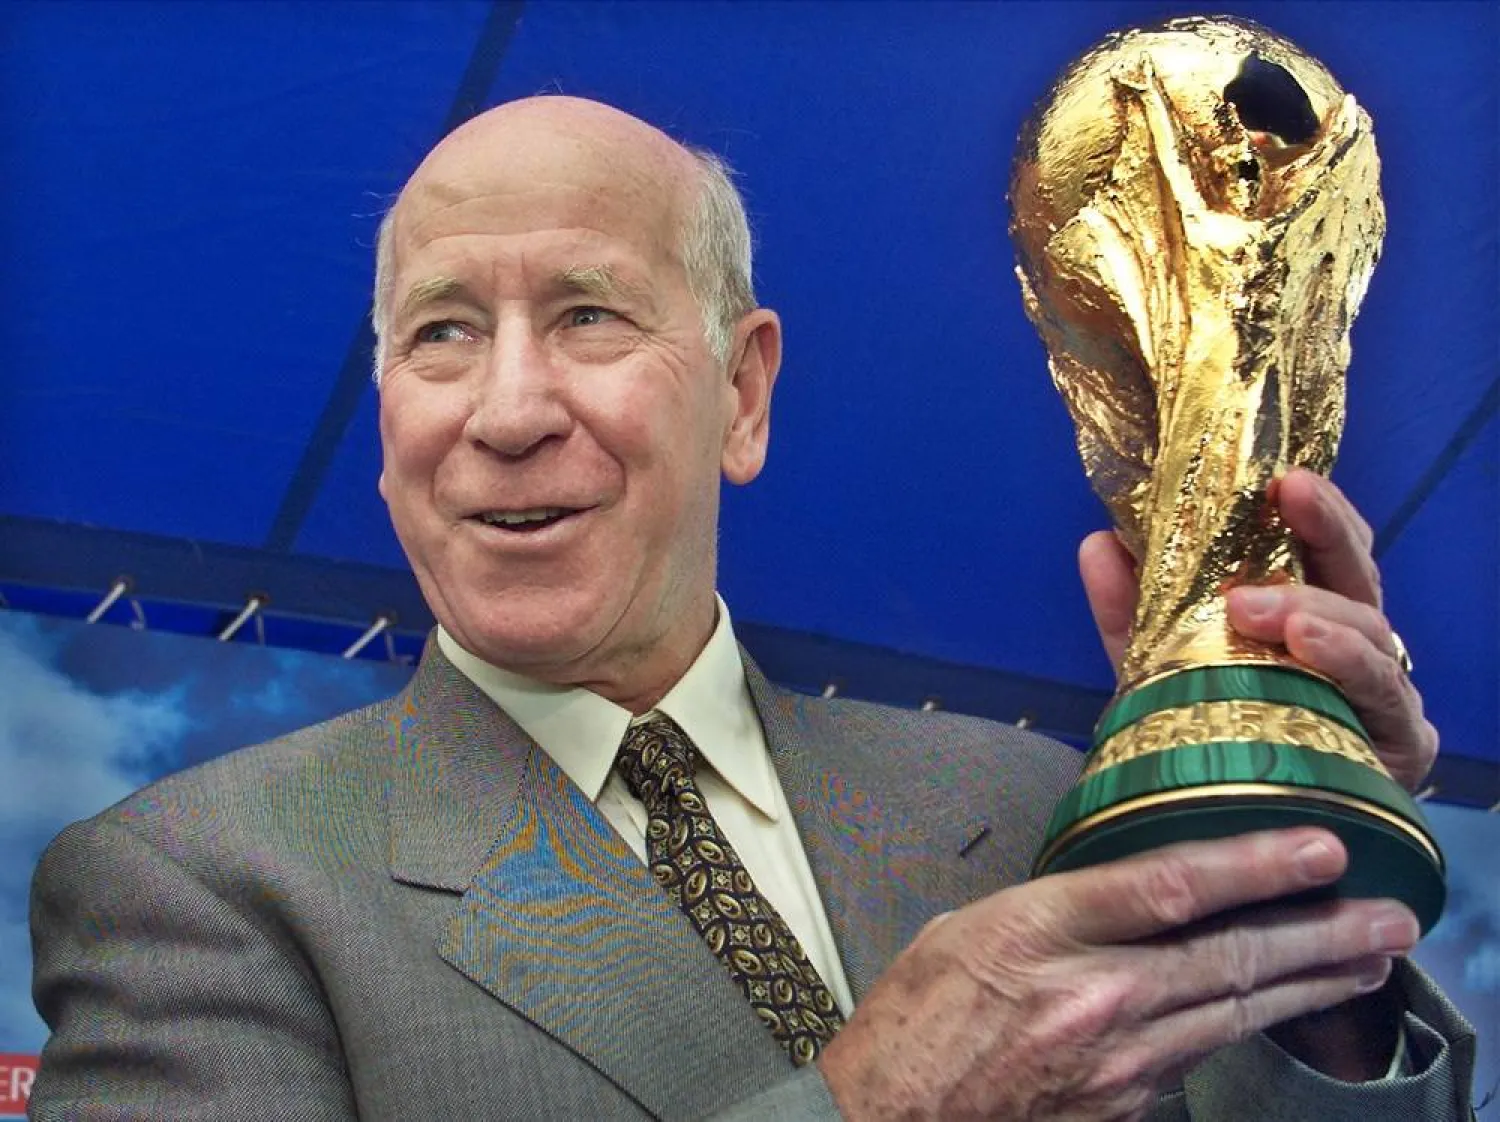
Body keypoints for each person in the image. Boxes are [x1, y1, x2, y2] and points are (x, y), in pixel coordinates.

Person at [29, 96, 1474, 1121]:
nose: (509, 409)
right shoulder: (199, 882)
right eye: (442, 333)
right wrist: (870, 1107)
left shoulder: (1031, 800)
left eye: (589, 313)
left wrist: (1310, 899)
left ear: (744, 388)